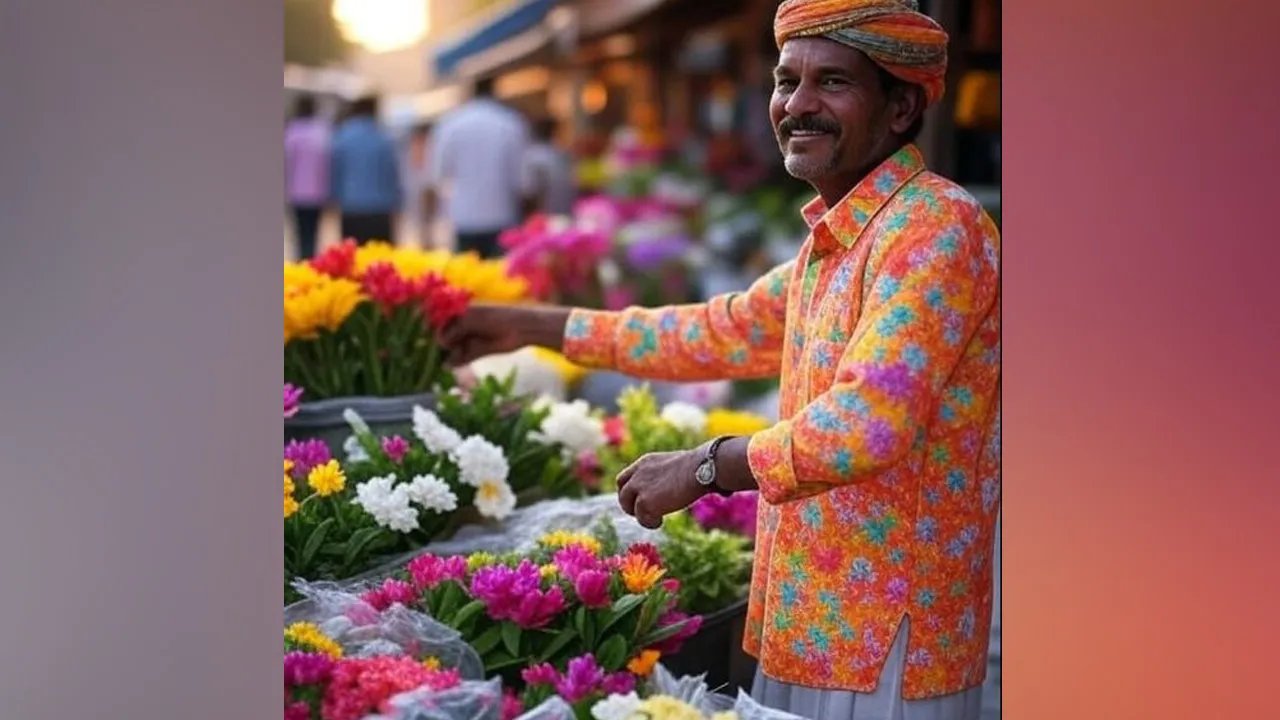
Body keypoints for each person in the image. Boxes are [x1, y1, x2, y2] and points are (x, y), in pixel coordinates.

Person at [439, 1, 1000, 718]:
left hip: (887, 637)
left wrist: (706, 465)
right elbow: (715, 331)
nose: (797, 104)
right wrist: (531, 324)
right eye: (785, 79)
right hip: (816, 619)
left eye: (832, 82)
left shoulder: (935, 229)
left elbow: (869, 422)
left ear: (898, 108)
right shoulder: (842, 239)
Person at [425, 76, 532, 258]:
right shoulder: (510, 123)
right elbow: (523, 179)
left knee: (467, 278)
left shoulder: (452, 123)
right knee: (499, 278)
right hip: (501, 214)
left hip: (464, 216)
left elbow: (437, 173)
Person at [329, 95, 403, 245]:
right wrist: (398, 202)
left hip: (351, 207)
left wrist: (333, 198)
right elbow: (392, 174)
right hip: (380, 209)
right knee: (380, 261)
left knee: (353, 260)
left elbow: (335, 171)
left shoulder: (343, 136)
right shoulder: (384, 137)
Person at [284, 94, 330, 260]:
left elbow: (286, 163)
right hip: (317, 193)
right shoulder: (322, 132)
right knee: (313, 233)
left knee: (300, 234)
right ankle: (311, 262)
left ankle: (301, 263)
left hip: (296, 193)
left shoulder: (292, 132)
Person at [522, 117, 576, 216]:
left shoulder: (533, 155)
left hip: (546, 214)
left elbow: (528, 190)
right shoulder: (559, 154)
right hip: (560, 212)